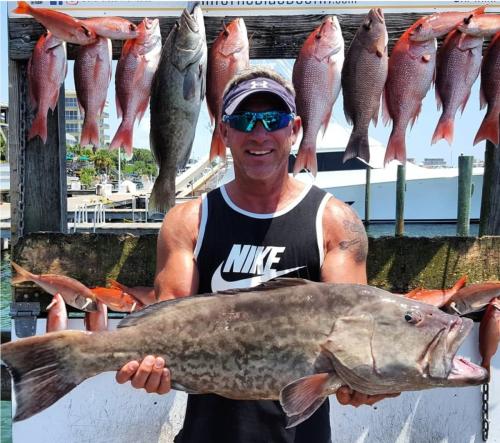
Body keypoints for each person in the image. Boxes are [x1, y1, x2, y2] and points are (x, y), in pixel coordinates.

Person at [115, 67, 398, 442]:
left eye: (274, 119)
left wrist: (370, 381)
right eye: (245, 120)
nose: (260, 133)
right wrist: (153, 368)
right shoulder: (189, 221)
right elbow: (167, 326)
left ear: (294, 128)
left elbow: (356, 335)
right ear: (225, 131)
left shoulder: (334, 222)